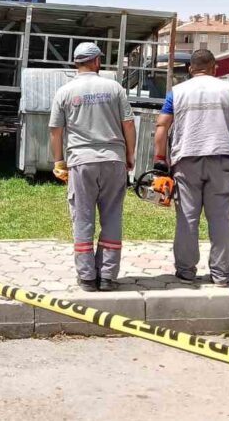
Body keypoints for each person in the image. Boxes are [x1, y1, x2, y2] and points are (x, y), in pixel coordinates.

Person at [153, 48, 229, 287]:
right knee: (220, 219)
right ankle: (220, 274)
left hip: (186, 160)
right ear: (214, 69)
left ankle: (186, 272)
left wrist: (160, 158)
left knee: (187, 218)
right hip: (222, 160)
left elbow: (162, 125)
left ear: (190, 69)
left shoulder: (176, 92)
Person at [49, 42, 136, 292]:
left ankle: (87, 277)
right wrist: (129, 155)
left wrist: (58, 162)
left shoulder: (64, 91)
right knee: (111, 217)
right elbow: (128, 124)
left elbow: (56, 130)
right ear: (97, 61)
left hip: (81, 162)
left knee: (83, 217)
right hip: (113, 159)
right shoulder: (114, 88)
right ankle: (107, 276)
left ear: (76, 62)